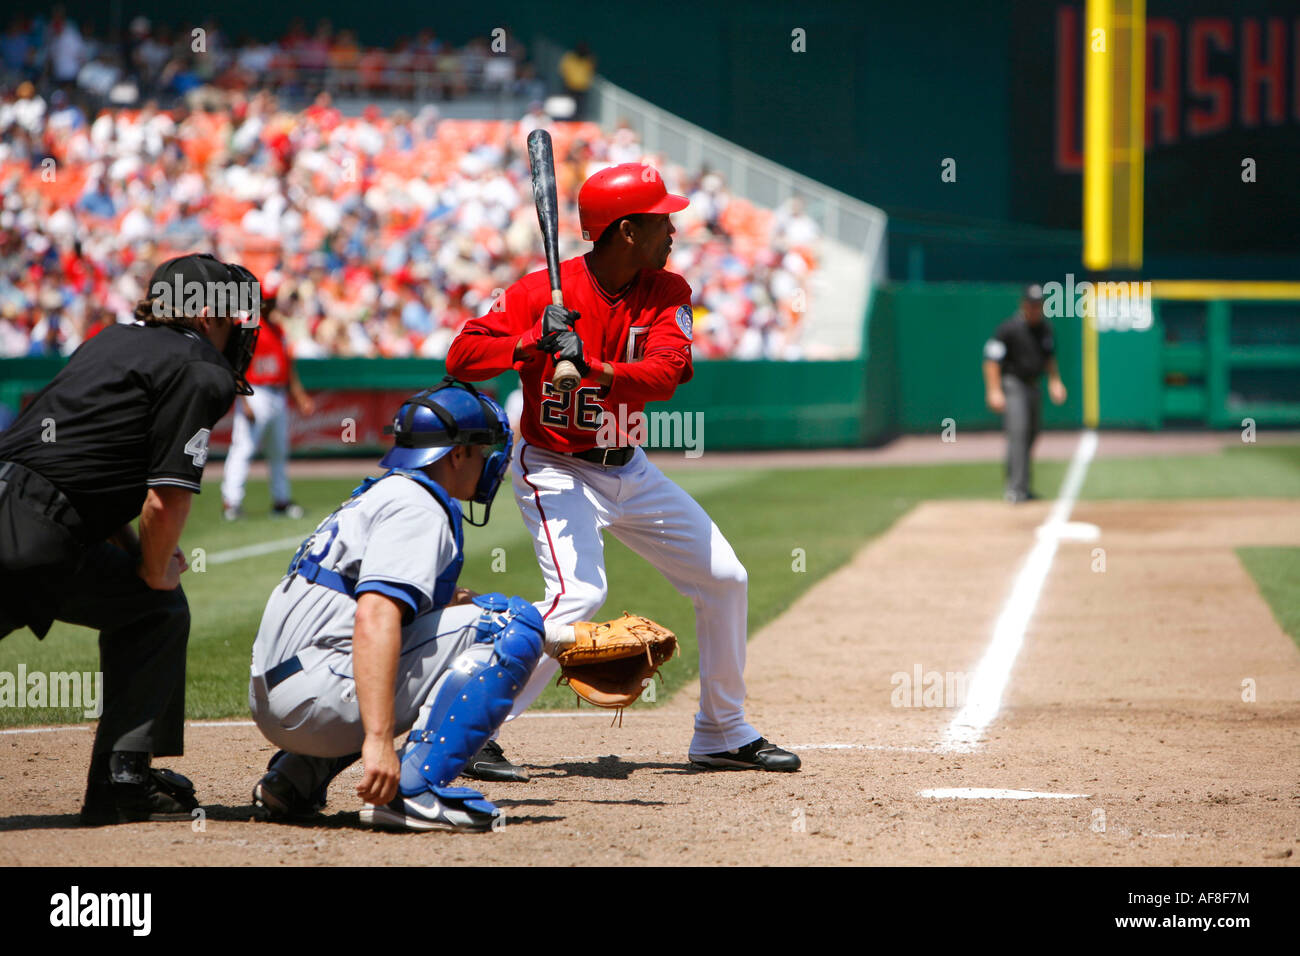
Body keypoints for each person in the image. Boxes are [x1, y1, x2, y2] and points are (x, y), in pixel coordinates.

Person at [446, 162, 800, 776]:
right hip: (554, 465)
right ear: (627, 230)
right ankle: (471, 731)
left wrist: (596, 367)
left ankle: (721, 730)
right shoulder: (537, 292)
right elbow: (462, 356)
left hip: (628, 467)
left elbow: (665, 376)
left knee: (725, 576)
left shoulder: (669, 291)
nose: (674, 229)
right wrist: (531, 343)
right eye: (663, 219)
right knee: (581, 593)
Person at [0, 252, 258, 824]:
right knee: (155, 603)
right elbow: (165, 499)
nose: (242, 328)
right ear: (210, 313)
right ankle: (122, 782)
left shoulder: (111, 340)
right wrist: (151, 567)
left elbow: (81, 462)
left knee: (151, 608)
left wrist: (135, 548)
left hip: (19, 511)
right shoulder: (201, 370)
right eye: (235, 314)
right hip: (30, 534)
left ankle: (126, 780)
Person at [247, 380, 570, 832]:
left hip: (283, 696)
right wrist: (379, 741)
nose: (489, 461)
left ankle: (294, 777)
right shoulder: (418, 506)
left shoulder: (383, 493)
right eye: (480, 449)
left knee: (479, 616)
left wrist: (561, 639)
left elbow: (422, 612)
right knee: (511, 625)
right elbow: (375, 617)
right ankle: (414, 792)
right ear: (455, 454)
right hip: (316, 699)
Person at [220, 276, 315, 521]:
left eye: (272, 300)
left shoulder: (278, 329)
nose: (270, 305)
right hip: (256, 392)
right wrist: (243, 398)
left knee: (278, 452)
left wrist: (300, 396)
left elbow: (288, 366)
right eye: (266, 300)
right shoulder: (247, 327)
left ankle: (281, 501)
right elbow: (235, 366)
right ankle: (231, 501)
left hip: (277, 393)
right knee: (243, 448)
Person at [982, 284, 1068, 502]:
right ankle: (1016, 489)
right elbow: (991, 361)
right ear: (1023, 304)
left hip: (1034, 386)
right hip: (1014, 385)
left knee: (1032, 434)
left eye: (1038, 305)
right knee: (1018, 434)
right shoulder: (1008, 329)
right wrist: (994, 390)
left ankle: (1022, 486)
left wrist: (1055, 382)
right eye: (1032, 304)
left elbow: (1049, 358)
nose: (1035, 309)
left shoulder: (1045, 329)